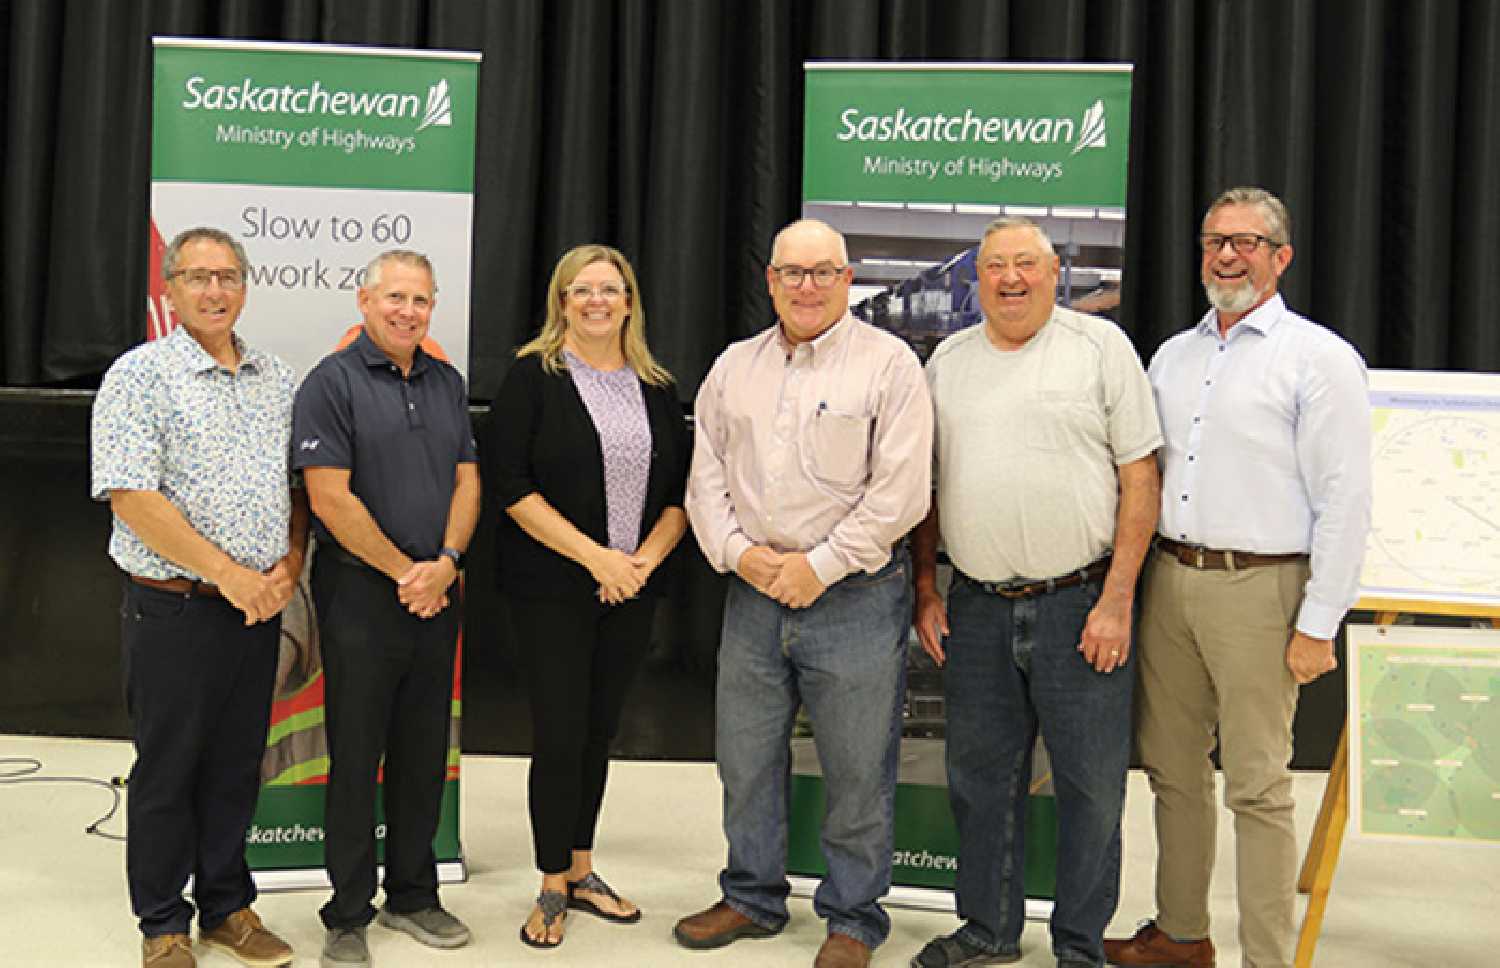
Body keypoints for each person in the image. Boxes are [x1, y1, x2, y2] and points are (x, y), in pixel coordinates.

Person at [1104, 187, 1371, 968]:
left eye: (1247, 242)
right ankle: (1183, 934)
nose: (1226, 255)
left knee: (1258, 785)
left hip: (1264, 591)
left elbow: (1345, 499)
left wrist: (1320, 620)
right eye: (1215, 240)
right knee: (1173, 769)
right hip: (1171, 581)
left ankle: (1265, 958)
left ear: (1280, 257)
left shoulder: (1319, 359)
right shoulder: (1173, 356)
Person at [677, 218, 934, 968]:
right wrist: (739, 555)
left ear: (848, 280)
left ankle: (853, 916)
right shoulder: (734, 367)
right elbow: (706, 477)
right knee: (746, 758)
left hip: (854, 597)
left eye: (824, 273)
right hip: (753, 595)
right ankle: (751, 895)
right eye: (793, 272)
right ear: (771, 280)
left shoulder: (890, 366)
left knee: (858, 766)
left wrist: (816, 566)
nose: (808, 286)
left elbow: (902, 494)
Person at [908, 218, 1163, 968]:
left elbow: (1140, 478)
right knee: (980, 783)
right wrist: (927, 588)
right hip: (977, 607)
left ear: (1057, 272)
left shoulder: (1102, 349)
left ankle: (1080, 946)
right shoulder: (947, 362)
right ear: (975, 278)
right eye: (995, 266)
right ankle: (988, 929)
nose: (1011, 278)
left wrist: (1117, 600)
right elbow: (924, 489)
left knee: (1090, 788)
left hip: (1080, 604)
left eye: (1027, 263)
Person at [91, 226, 305, 968]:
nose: (215, 290)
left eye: (228, 276)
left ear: (245, 286)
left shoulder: (277, 377)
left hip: (256, 609)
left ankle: (226, 907)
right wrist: (229, 573)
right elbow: (132, 497)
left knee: (237, 762)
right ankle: (161, 924)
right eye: (197, 277)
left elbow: (295, 490)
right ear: (170, 289)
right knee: (168, 765)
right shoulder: (139, 375)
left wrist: (287, 567)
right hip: (173, 606)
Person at [483, 244, 690, 949]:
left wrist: (638, 564)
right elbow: (510, 486)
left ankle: (582, 869)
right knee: (560, 733)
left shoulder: (657, 385)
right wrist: (596, 557)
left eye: (610, 289)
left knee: (599, 732)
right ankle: (548, 883)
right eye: (581, 289)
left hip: (631, 588)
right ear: (561, 302)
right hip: (553, 589)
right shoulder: (532, 377)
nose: (596, 300)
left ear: (630, 301)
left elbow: (678, 496)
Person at [292, 250, 481, 968]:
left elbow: (469, 481)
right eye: (396, 297)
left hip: (438, 592)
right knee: (357, 751)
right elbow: (329, 498)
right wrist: (408, 572)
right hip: (363, 596)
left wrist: (447, 565)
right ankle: (346, 912)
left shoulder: (446, 381)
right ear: (365, 301)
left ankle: (413, 894)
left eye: (422, 301)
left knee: (424, 750)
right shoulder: (330, 383)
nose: (409, 311)